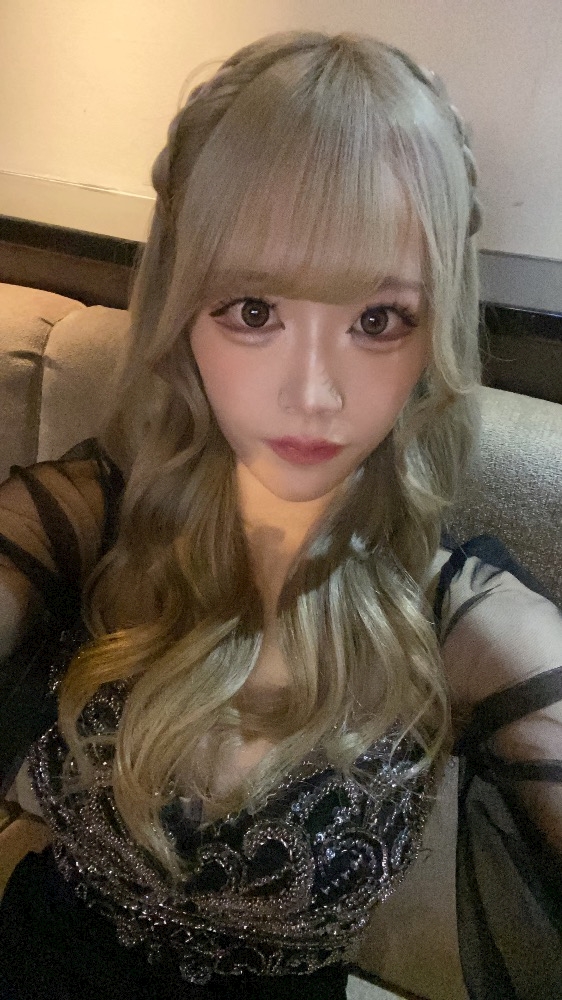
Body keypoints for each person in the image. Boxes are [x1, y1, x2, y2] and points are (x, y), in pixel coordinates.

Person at [0, 29, 560, 1000]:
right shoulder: (86, 521)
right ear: (184, 309)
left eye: (377, 319)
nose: (313, 392)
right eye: (253, 310)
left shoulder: (468, 628)